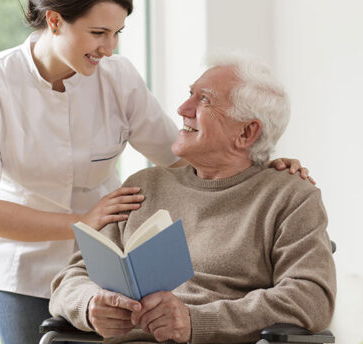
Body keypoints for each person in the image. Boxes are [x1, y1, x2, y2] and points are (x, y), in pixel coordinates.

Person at [0, 1, 310, 343]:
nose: (108, 48)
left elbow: (187, 153)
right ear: (55, 22)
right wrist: (85, 222)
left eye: (117, 32)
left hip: (109, 268)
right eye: (98, 32)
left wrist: (266, 170)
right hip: (25, 265)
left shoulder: (117, 77)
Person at [49, 53, 336, 343]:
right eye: (190, 94)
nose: (183, 108)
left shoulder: (290, 197)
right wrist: (90, 304)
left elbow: (311, 298)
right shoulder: (144, 186)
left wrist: (196, 320)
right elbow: (70, 278)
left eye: (205, 100)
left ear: (247, 132)